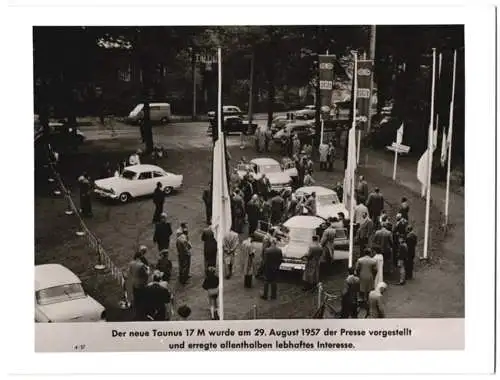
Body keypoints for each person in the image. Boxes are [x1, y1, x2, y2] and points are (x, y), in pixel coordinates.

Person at [126, 247, 150, 320]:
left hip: (133, 282)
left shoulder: (131, 263)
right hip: (140, 283)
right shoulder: (141, 265)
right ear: (139, 257)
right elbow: (146, 274)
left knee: (135, 293)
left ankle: (135, 303)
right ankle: (141, 308)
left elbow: (129, 272)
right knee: (141, 294)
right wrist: (148, 270)